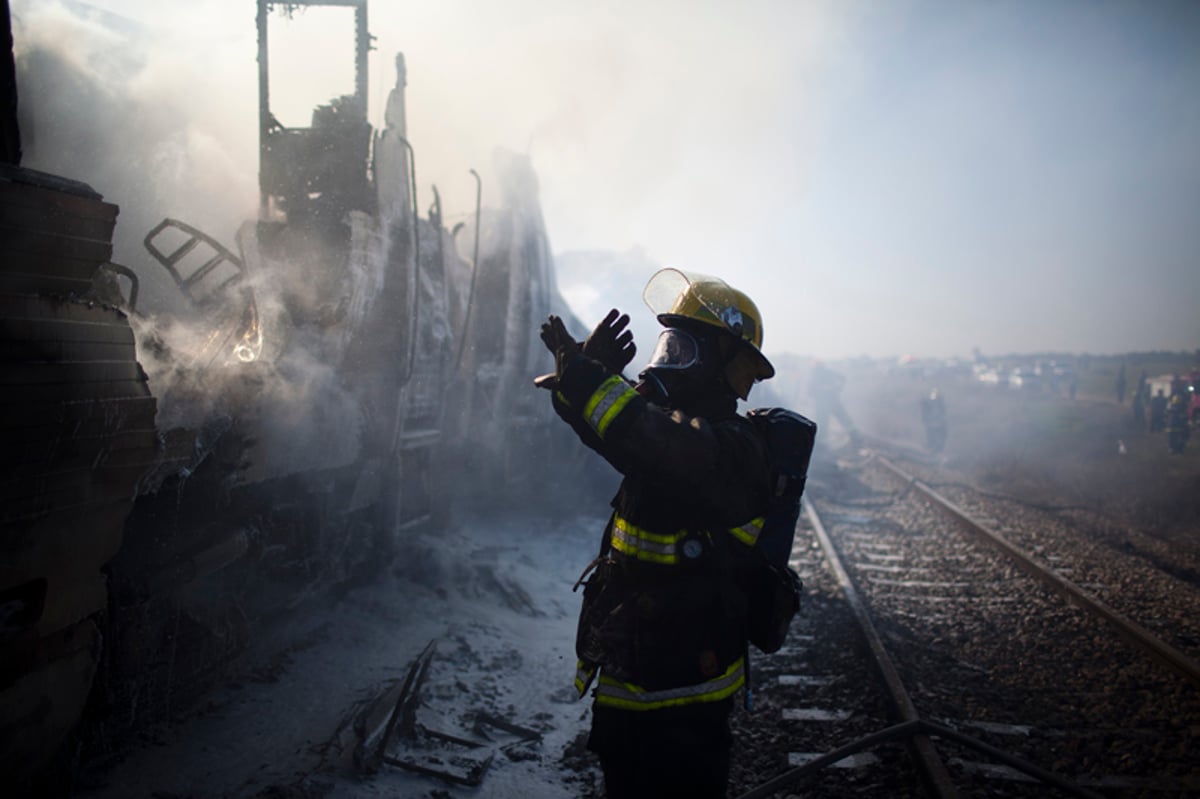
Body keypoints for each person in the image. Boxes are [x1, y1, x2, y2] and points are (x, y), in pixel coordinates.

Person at [537, 269, 778, 798]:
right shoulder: (669, 430)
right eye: (666, 346)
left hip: (688, 688)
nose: (666, 363)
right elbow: (614, 431)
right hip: (634, 667)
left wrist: (589, 378)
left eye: (684, 350)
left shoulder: (734, 448)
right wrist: (581, 377)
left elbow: (643, 434)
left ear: (727, 367)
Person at [921, 388, 947, 453]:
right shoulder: (928, 402)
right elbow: (925, 413)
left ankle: (938, 449)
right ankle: (931, 447)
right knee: (931, 435)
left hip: (938, 423)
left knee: (938, 436)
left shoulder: (940, 402)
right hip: (931, 423)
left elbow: (942, 412)